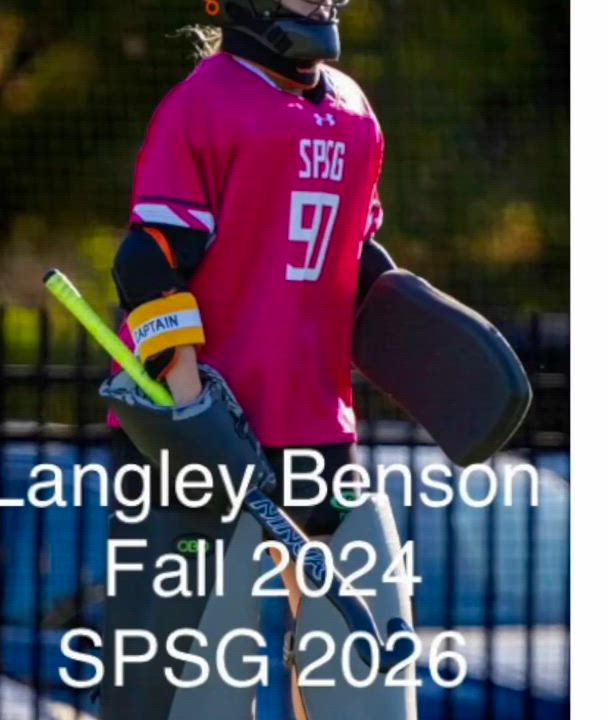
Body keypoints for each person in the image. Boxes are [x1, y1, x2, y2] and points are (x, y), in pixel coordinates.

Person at [105, 1, 400, 717]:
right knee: (195, 673)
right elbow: (148, 262)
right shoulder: (202, 103)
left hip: (314, 425)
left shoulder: (356, 112)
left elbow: (356, 256)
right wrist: (190, 410)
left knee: (351, 668)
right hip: (200, 432)